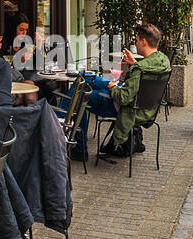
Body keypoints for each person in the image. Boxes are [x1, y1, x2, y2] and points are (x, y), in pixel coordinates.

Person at [71, 22, 170, 160]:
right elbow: (144, 78)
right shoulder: (162, 61)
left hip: (126, 109)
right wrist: (134, 63)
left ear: (144, 42)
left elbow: (123, 98)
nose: (135, 44)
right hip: (145, 109)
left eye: (136, 41)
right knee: (85, 78)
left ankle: (79, 149)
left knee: (80, 95)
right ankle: (61, 121)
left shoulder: (140, 69)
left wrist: (113, 86)